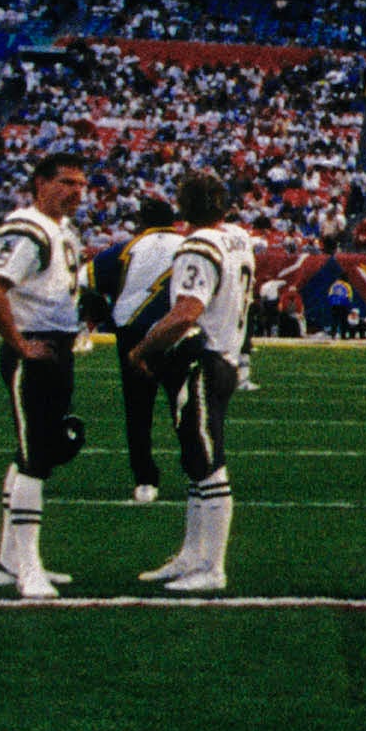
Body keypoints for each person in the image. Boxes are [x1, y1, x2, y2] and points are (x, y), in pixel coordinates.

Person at [128, 173, 256, 595]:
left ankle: (212, 567)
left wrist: (144, 348)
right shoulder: (237, 237)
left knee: (207, 462)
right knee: (195, 461)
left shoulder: (198, 246)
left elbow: (186, 312)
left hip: (205, 356)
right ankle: (192, 554)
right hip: (227, 355)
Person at [0, 153, 91, 602]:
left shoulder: (60, 229)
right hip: (36, 350)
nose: (75, 192)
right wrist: (20, 343)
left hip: (57, 345)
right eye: (65, 182)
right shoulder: (27, 226)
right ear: (40, 183)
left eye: (81, 184)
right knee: (35, 458)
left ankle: (9, 562)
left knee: (34, 451)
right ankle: (28, 568)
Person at [106, 196, 184, 504]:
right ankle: (200, 471)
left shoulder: (128, 248)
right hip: (177, 331)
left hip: (133, 334)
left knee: (138, 412)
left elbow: (91, 280)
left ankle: (145, 479)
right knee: (186, 406)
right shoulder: (189, 246)